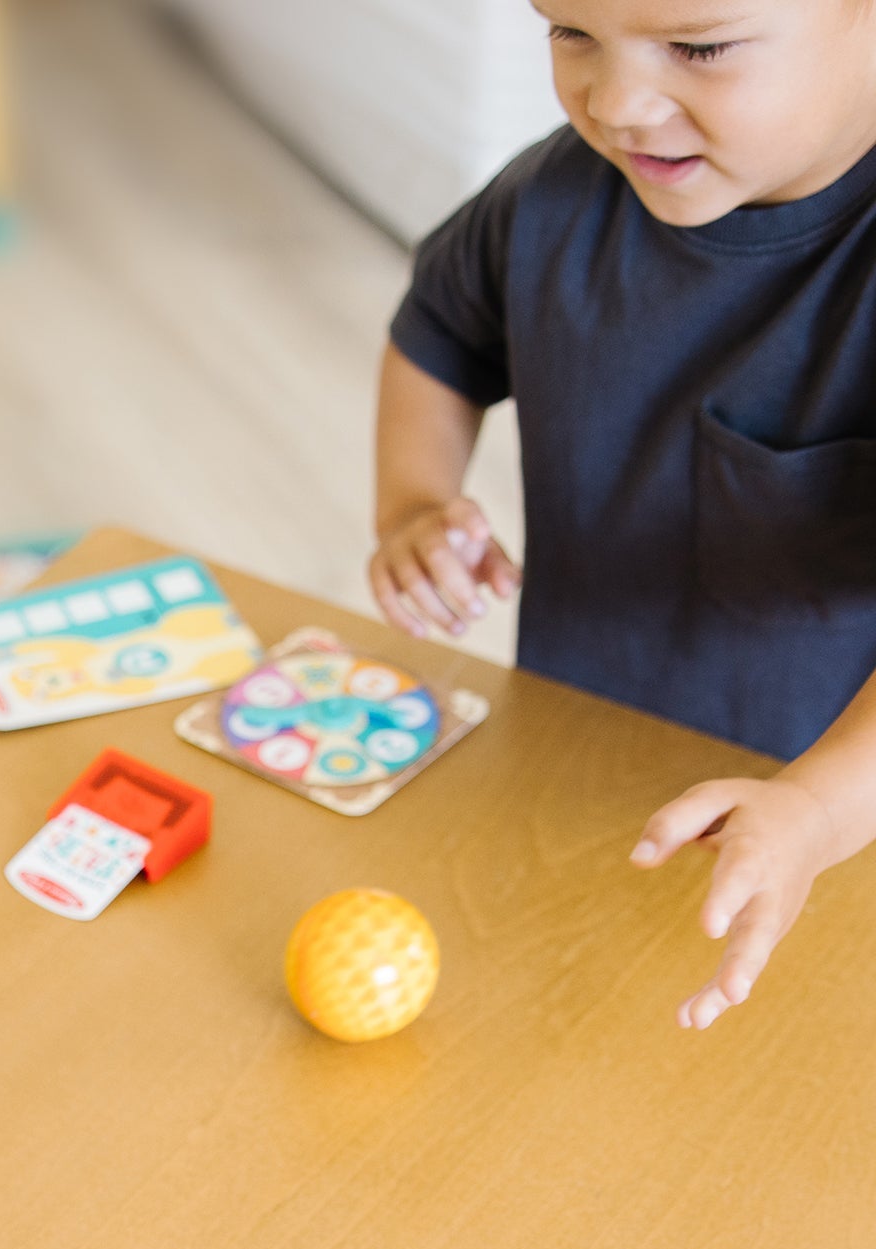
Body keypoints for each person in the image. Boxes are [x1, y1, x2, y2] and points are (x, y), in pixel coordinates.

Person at [369, 0, 876, 1027]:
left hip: (835, 842)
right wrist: (411, 506)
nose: (616, 104)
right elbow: (432, 334)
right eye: (569, 33)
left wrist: (817, 811)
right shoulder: (555, 194)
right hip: (571, 767)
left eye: (697, 47)